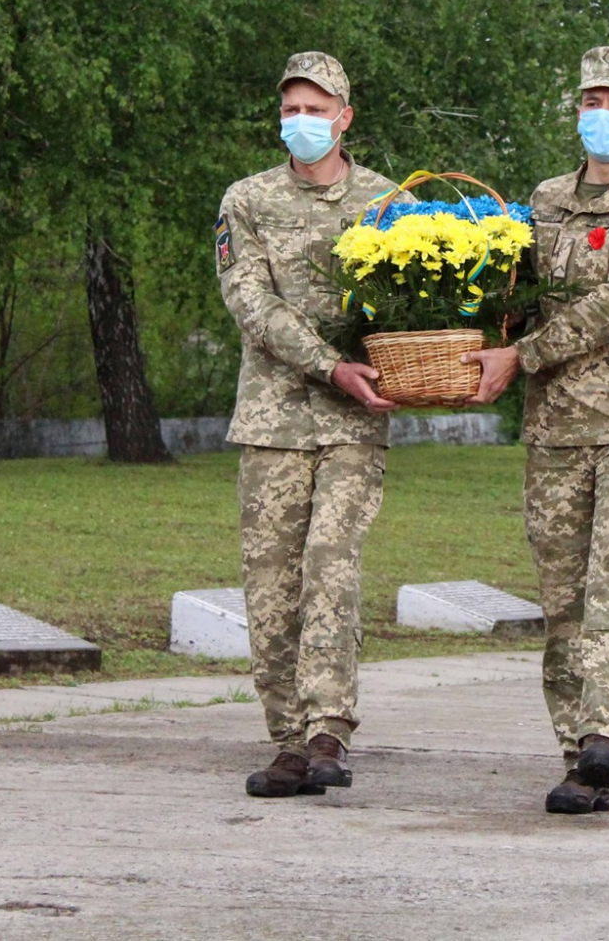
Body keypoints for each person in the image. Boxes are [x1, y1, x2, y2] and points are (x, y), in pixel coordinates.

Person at [465, 45, 609, 816]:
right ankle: (577, 757)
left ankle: (606, 732)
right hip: (555, 426)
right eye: (591, 99)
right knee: (562, 597)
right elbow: (518, 294)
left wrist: (522, 355)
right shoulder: (543, 200)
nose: (602, 114)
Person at [217, 51, 401, 798]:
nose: (301, 122)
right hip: (271, 421)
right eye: (291, 109)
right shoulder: (247, 200)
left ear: (345, 116)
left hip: (354, 422)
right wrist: (329, 364)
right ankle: (287, 741)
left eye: (315, 110)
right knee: (271, 584)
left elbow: (419, 301)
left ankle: (329, 729)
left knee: (331, 564)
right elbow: (250, 303)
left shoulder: (391, 202)